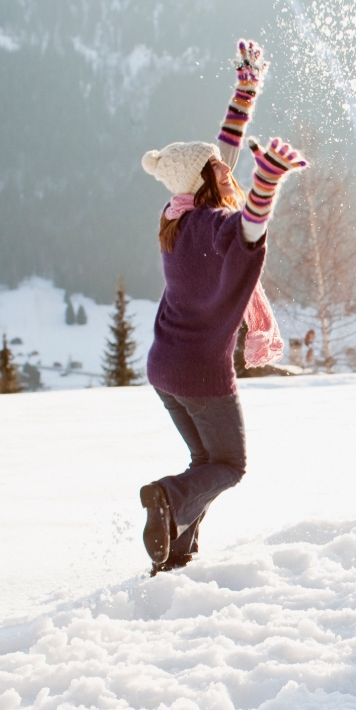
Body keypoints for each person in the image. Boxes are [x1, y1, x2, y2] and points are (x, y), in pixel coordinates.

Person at [137, 40, 306, 573]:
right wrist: (269, 180)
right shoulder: (215, 229)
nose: (224, 166)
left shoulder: (178, 217)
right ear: (211, 179)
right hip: (200, 375)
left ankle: (175, 554)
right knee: (230, 465)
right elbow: (251, 228)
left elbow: (223, 153)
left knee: (204, 464)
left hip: (163, 369)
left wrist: (246, 89)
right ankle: (165, 497)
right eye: (219, 168)